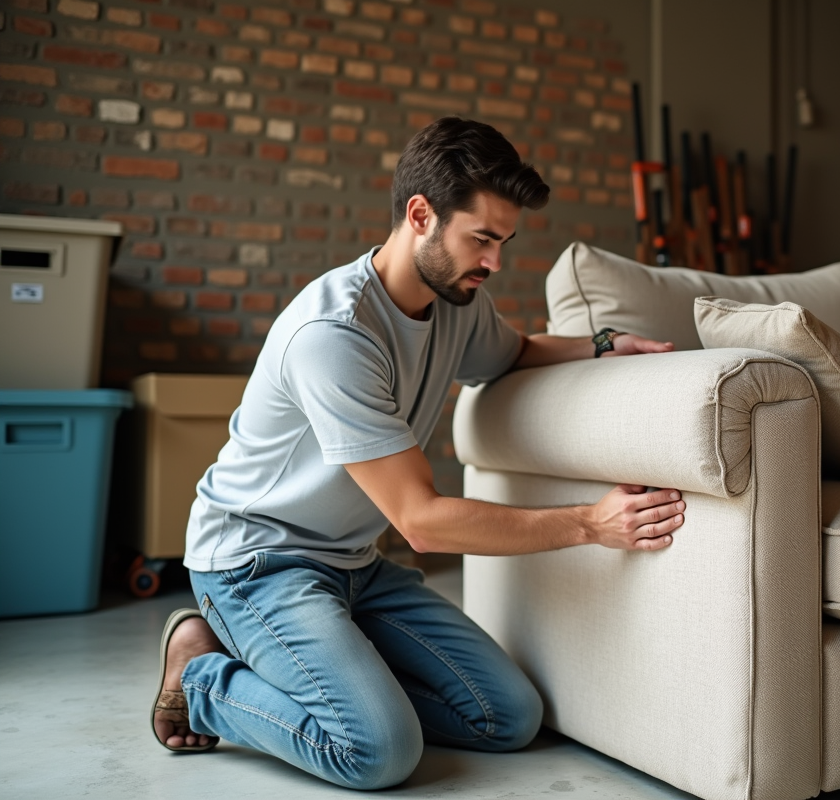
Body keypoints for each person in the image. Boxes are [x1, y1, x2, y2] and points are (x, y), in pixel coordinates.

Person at [149, 116, 686, 790]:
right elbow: (422, 522)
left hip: (352, 565)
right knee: (376, 753)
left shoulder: (456, 300)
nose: (493, 262)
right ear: (421, 214)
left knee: (508, 717)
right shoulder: (335, 336)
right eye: (482, 239)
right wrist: (590, 523)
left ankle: (343, 673)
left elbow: (514, 350)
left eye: (503, 242)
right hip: (258, 564)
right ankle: (200, 672)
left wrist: (606, 344)